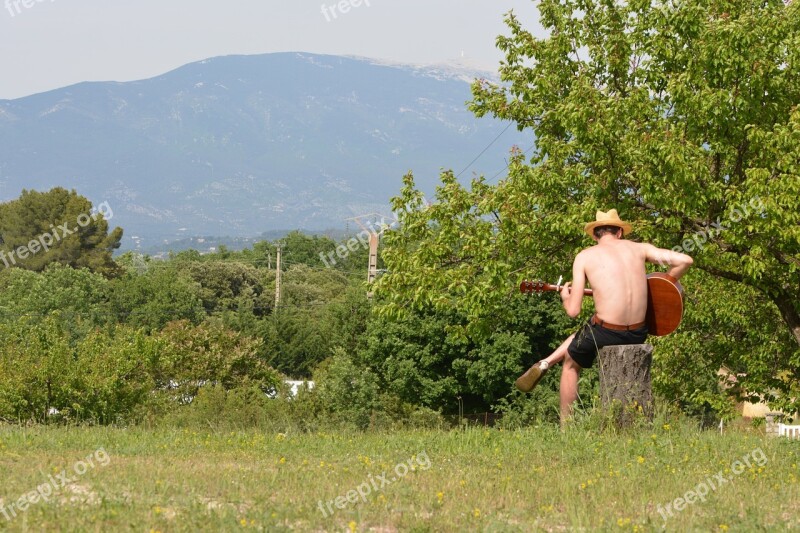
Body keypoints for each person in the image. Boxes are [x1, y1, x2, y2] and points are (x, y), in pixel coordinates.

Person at [515, 209, 693, 423]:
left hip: (607, 332)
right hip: (639, 332)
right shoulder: (639, 248)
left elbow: (573, 311)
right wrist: (661, 284)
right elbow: (685, 260)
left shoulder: (585, 256)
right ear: (619, 232)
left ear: (595, 235)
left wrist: (564, 296)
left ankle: (566, 426)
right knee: (587, 329)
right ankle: (546, 362)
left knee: (572, 361)